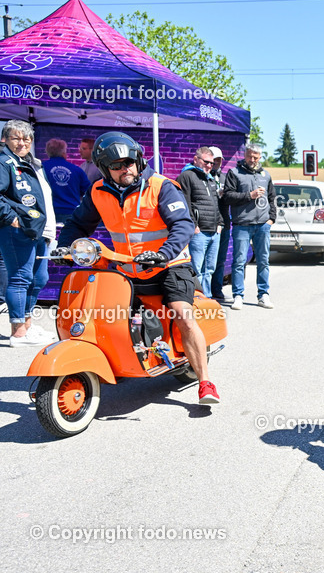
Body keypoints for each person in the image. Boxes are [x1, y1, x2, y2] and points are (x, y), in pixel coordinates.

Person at [55, 131, 220, 404]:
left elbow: (183, 224)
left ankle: (205, 381)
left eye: (129, 162)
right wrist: (65, 246)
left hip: (171, 266)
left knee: (183, 314)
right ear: (104, 169)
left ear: (139, 160)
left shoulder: (161, 186)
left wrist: (163, 253)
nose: (125, 169)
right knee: (104, 312)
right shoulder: (97, 191)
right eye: (117, 166)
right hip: (128, 269)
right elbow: (77, 224)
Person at [0, 120, 57, 347]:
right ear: (5, 139)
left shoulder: (31, 163)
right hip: (18, 229)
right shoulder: (4, 162)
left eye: (26, 139)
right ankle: (18, 333)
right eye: (16, 138)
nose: (22, 142)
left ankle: (27, 326)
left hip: (39, 229)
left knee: (39, 278)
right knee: (20, 278)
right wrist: (11, 218)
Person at [222, 143, 276, 310]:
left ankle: (263, 295)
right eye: (249, 156)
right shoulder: (234, 173)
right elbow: (228, 197)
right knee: (239, 262)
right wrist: (249, 195)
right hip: (242, 224)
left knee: (263, 261)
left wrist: (271, 219)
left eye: (255, 157)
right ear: (244, 156)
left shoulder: (265, 175)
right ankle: (238, 296)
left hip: (262, 225)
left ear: (260, 157)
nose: (252, 159)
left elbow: (272, 198)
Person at [177, 147, 224, 296]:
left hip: (214, 231)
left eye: (212, 162)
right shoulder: (187, 176)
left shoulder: (210, 178)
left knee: (209, 269)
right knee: (197, 269)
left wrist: (220, 224)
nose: (209, 165)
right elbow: (185, 203)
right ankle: (197, 299)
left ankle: (207, 298)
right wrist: (194, 226)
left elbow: (216, 204)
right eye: (206, 162)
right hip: (199, 232)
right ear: (196, 159)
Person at [42, 138, 91, 223]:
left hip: (48, 212)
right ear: (64, 152)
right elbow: (88, 191)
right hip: (72, 212)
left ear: (47, 151)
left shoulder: (41, 169)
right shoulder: (76, 170)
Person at [208, 146, 231, 300]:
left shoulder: (225, 178)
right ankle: (204, 290)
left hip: (224, 224)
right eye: (213, 159)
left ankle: (217, 289)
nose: (216, 162)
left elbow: (232, 198)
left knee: (220, 260)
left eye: (218, 159)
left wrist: (225, 195)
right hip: (207, 224)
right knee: (206, 261)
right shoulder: (201, 177)